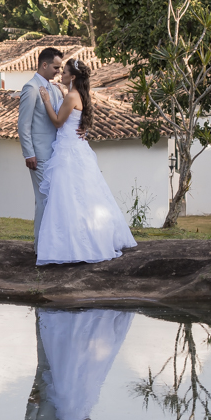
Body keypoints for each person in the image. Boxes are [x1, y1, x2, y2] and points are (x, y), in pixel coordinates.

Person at [33, 58, 137, 265]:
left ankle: (73, 246)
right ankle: (86, 240)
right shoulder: (79, 94)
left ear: (72, 77)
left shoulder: (71, 96)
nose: (60, 75)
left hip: (68, 151)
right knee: (83, 195)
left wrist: (46, 99)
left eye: (64, 72)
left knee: (67, 196)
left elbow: (57, 121)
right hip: (76, 148)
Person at [17, 47, 66, 249]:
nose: (58, 71)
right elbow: (23, 124)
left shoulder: (54, 90)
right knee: (44, 200)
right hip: (39, 155)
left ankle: (49, 245)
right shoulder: (30, 88)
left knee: (52, 200)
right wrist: (29, 153)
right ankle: (42, 247)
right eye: (56, 67)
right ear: (44, 65)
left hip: (55, 155)